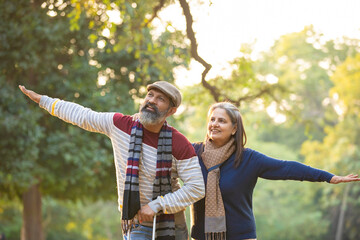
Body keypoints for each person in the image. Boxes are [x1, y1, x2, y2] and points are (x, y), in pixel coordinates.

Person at [19, 81, 205, 240]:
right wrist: (43, 101)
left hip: (170, 222)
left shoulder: (179, 143)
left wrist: (157, 205)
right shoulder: (120, 125)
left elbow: (196, 187)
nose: (151, 101)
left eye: (160, 99)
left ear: (171, 111)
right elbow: (82, 115)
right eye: (150, 95)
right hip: (136, 221)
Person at [190, 102, 360, 240]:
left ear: (234, 128)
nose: (214, 124)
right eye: (212, 119)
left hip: (240, 236)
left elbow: (287, 168)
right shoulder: (193, 153)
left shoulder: (248, 159)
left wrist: (328, 177)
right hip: (201, 236)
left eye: (221, 120)